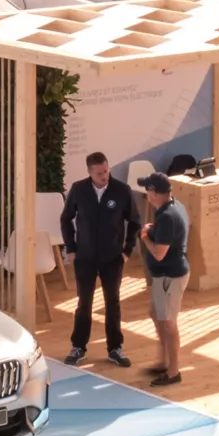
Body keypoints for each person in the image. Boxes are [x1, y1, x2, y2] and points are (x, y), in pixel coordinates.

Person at [58, 150, 139, 369]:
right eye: (99, 173)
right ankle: (78, 347)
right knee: (84, 303)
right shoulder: (79, 190)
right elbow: (66, 219)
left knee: (112, 302)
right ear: (89, 172)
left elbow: (134, 221)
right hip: (85, 257)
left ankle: (115, 348)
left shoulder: (121, 190)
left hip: (112, 258)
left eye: (106, 171)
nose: (104, 176)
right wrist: (71, 249)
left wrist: (127, 250)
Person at [140, 172, 191, 386]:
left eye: (147, 189)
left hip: (171, 276)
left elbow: (159, 253)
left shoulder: (167, 217)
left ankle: (173, 372)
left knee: (169, 324)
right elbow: (169, 234)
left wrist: (145, 237)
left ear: (153, 192)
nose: (146, 193)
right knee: (155, 313)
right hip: (163, 276)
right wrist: (154, 230)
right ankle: (163, 361)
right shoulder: (174, 207)